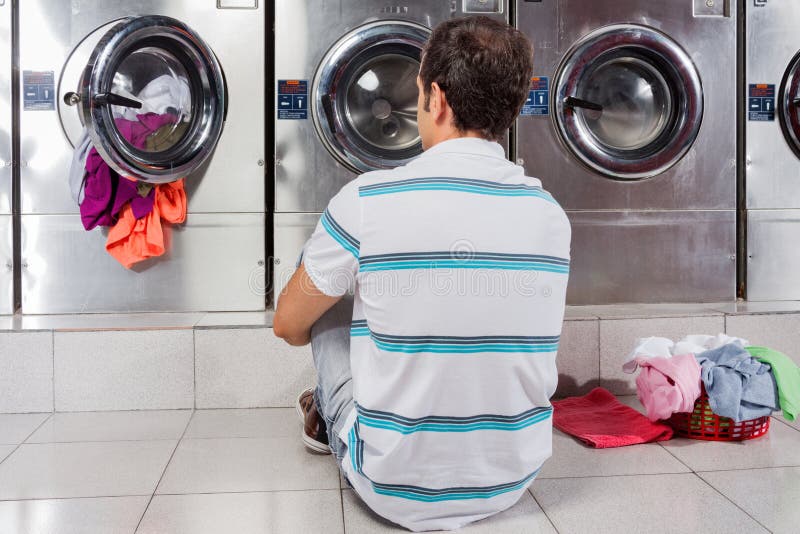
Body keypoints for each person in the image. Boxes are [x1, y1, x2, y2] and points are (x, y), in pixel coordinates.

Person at [274, 15, 571, 532]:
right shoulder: (549, 213)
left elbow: (288, 325)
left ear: (435, 98)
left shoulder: (366, 200)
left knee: (325, 265)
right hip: (510, 479)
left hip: (390, 486)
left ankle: (327, 411)